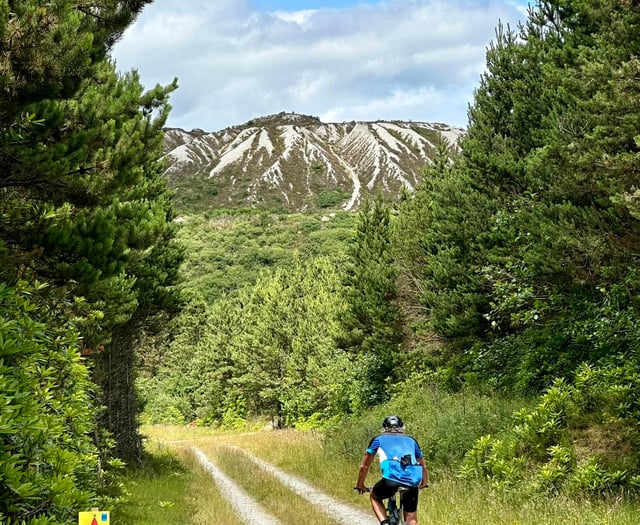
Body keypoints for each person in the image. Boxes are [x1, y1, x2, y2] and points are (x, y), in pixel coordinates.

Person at [354, 415, 429, 525]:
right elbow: (423, 465)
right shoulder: (412, 440)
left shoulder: (378, 439)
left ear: (384, 428)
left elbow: (364, 467)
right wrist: (424, 482)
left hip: (391, 479)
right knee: (411, 520)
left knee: (375, 497)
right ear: (402, 427)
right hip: (413, 479)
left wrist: (360, 485)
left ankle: (385, 523)